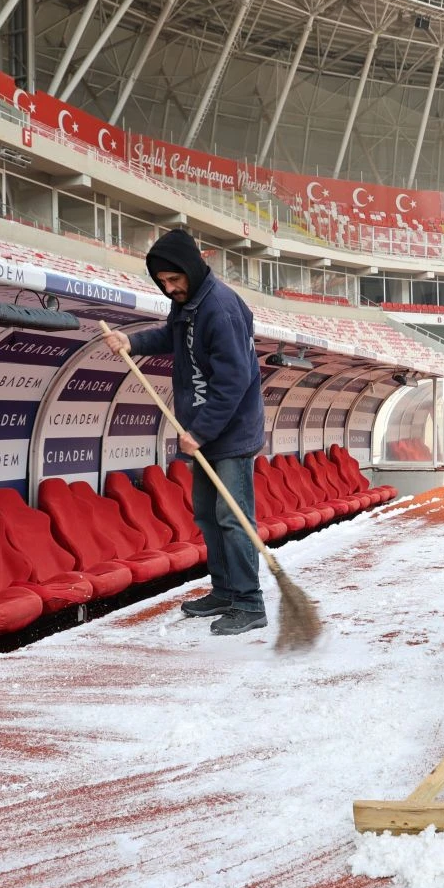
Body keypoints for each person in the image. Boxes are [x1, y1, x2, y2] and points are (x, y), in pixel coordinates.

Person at [102, 228, 267, 636]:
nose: (169, 288)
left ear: (191, 270)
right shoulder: (189, 303)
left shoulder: (221, 309)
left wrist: (202, 431)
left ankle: (249, 603)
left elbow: (234, 381)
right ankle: (225, 590)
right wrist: (131, 341)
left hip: (229, 434)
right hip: (205, 431)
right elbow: (171, 337)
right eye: (162, 282)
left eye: (175, 280)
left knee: (233, 518)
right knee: (208, 517)